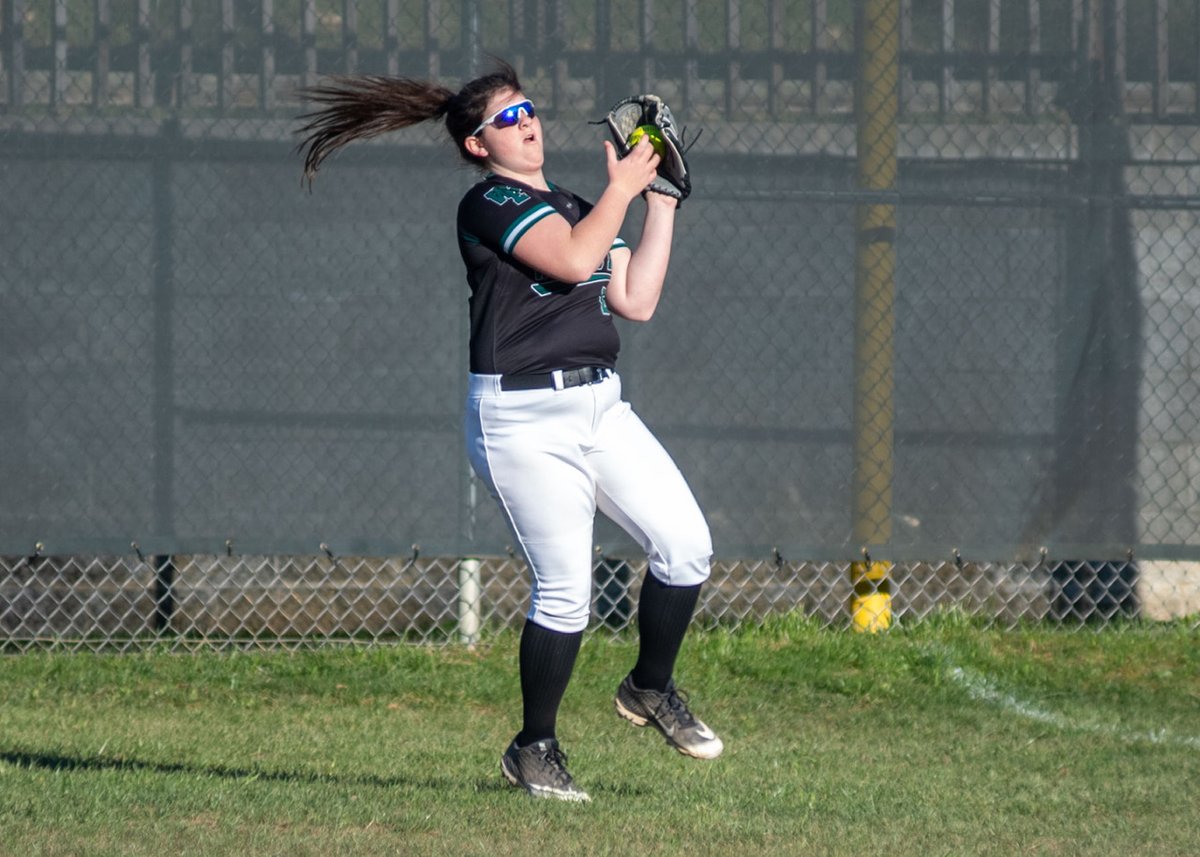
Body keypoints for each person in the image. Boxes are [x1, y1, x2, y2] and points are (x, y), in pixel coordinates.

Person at [296, 58, 721, 803]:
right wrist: (622, 190)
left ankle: (650, 686)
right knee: (565, 592)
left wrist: (661, 201)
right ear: (477, 144)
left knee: (687, 548)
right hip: (522, 420)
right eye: (508, 119)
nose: (527, 124)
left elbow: (635, 299)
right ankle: (534, 747)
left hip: (601, 406)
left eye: (528, 111)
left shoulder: (576, 201)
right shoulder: (489, 202)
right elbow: (574, 259)